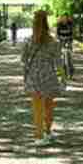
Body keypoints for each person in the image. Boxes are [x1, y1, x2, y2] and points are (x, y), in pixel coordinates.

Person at [21, 9, 65, 146]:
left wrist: (25, 75)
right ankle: (47, 131)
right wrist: (63, 77)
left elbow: (23, 60)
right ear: (47, 23)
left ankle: (38, 136)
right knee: (49, 106)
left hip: (33, 76)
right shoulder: (54, 42)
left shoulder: (28, 41)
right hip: (49, 76)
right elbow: (58, 62)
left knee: (37, 107)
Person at [55, 14, 75, 79]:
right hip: (62, 43)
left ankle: (71, 73)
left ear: (67, 19)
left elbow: (72, 34)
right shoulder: (59, 26)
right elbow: (57, 35)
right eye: (63, 18)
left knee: (70, 59)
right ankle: (64, 74)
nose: (64, 19)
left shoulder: (70, 25)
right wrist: (60, 40)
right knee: (62, 59)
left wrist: (69, 41)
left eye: (66, 18)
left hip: (68, 43)